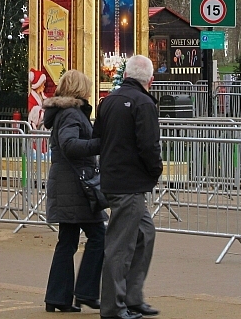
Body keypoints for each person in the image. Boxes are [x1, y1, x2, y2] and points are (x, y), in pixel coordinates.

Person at [93, 55, 162, 319]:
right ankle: (114, 306)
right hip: (130, 183)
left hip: (114, 179)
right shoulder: (143, 103)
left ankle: (131, 296)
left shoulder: (109, 101)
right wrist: (155, 171)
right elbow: (149, 146)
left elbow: (98, 137)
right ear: (150, 81)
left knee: (144, 233)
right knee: (121, 245)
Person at [42, 69, 106, 313]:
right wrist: (98, 144)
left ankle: (58, 296)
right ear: (80, 89)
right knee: (98, 237)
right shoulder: (71, 114)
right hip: (76, 186)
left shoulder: (63, 113)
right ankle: (85, 291)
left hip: (67, 184)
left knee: (67, 241)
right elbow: (70, 145)